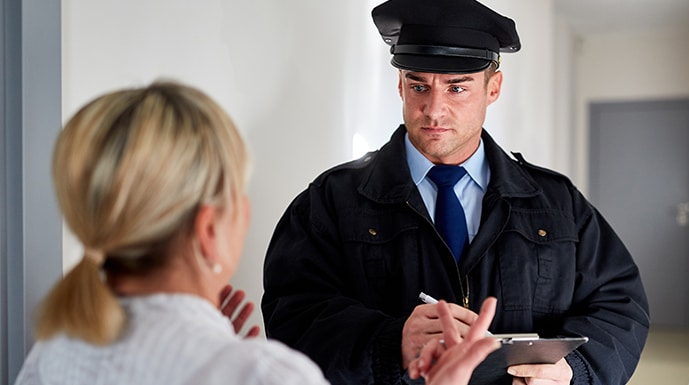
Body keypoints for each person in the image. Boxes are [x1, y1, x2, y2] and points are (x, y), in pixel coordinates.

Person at [261, 0, 650, 384]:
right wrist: (389, 341)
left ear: (493, 88)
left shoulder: (556, 201)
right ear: (400, 86)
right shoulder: (331, 200)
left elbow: (620, 304)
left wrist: (574, 370)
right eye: (418, 86)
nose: (433, 110)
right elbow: (292, 315)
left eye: (457, 88)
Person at [13, 81, 328, 385]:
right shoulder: (265, 376)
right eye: (238, 195)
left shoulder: (52, 352)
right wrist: (224, 356)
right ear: (208, 230)